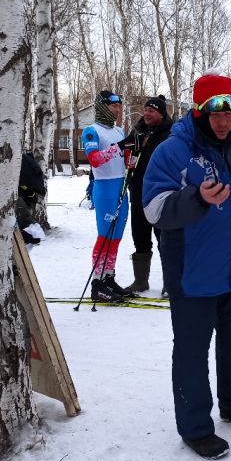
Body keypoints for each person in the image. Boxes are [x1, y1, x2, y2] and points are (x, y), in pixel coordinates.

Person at [143, 69, 231, 460]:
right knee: (191, 350)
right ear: (199, 110)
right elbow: (153, 208)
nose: (222, 120)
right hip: (192, 272)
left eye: (229, 110)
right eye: (214, 112)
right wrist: (197, 199)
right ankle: (196, 427)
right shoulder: (174, 150)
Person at [81, 90, 130, 302]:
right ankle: (97, 283)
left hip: (121, 188)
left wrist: (133, 150)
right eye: (113, 106)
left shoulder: (119, 131)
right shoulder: (92, 131)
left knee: (116, 238)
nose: (117, 110)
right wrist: (118, 147)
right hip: (104, 188)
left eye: (119, 106)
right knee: (105, 237)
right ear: (102, 106)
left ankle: (109, 277)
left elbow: (126, 160)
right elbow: (95, 160)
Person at [122, 95, 173, 294]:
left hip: (160, 196)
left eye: (151, 111)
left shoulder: (170, 134)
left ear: (161, 113)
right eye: (145, 110)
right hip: (138, 194)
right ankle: (140, 281)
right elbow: (125, 151)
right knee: (140, 239)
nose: (146, 114)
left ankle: (170, 283)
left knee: (165, 241)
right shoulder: (139, 131)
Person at [16, 151, 47, 244]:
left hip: (26, 195)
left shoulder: (23, 163)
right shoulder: (26, 161)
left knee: (22, 215)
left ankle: (29, 234)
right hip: (26, 195)